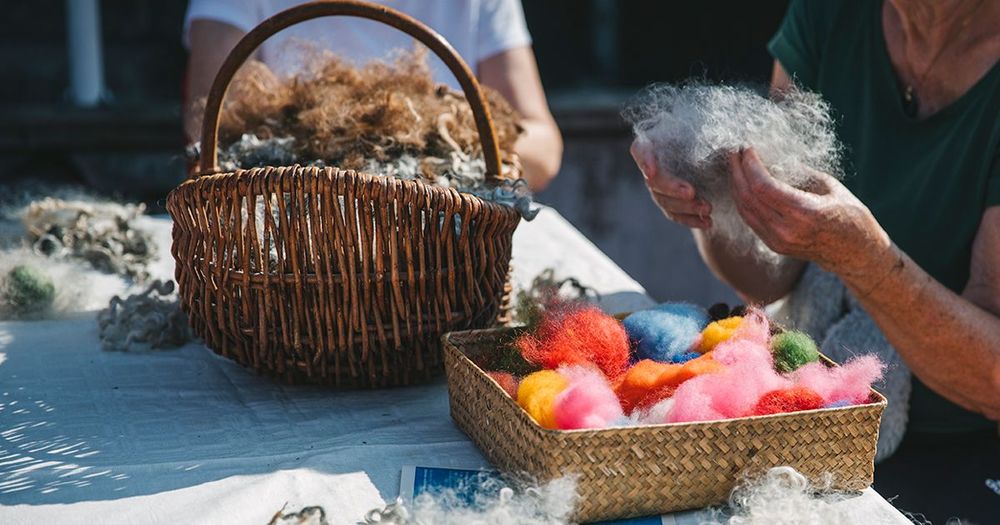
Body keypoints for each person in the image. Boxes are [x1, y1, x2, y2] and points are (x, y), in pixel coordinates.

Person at [631, 0, 999, 522]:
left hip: (959, 454)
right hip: (812, 420)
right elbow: (776, 272)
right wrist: (717, 204)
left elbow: (992, 381)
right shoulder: (829, 15)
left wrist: (867, 262)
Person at [182, 0, 562, 191]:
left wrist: (441, 173)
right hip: (287, 244)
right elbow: (210, 125)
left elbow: (542, 143)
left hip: (444, 245)